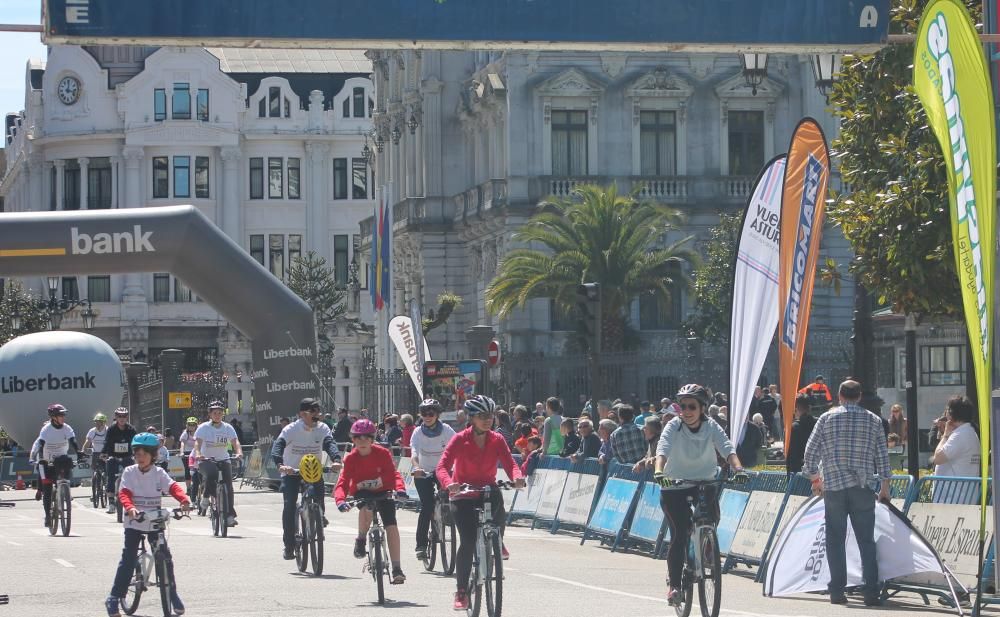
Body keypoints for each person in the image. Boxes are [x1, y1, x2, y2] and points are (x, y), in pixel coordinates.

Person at [654, 384, 745, 606]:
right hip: (674, 484)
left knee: (711, 517)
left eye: (691, 406)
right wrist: (659, 471)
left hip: (704, 480)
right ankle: (675, 585)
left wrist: (738, 469)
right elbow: (662, 448)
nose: (686, 410)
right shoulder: (674, 426)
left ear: (702, 408)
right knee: (679, 534)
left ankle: (706, 546)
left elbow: (727, 447)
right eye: (682, 406)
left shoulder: (711, 426)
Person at [802, 379, 890, 606]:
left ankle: (837, 590)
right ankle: (871, 591)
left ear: (840, 396)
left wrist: (815, 479)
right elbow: (882, 456)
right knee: (866, 541)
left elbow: (810, 452)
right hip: (863, 488)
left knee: (835, 540)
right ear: (859, 396)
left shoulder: (826, 418)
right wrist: (885, 487)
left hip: (833, 487)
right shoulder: (874, 420)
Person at [436, 395, 525, 611]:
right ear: (472, 418)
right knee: (467, 541)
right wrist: (450, 484)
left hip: (487, 488)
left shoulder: (497, 439)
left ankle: (497, 539)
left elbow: (510, 462)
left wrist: (517, 476)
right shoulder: (459, 439)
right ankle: (461, 591)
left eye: (491, 416)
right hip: (463, 494)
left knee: (498, 502)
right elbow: (442, 467)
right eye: (483, 416)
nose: (488, 420)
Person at [104, 432, 190, 617]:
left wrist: (184, 500)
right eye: (137, 453)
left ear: (153, 455)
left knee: (166, 558)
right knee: (128, 559)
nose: (140, 457)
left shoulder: (159, 473)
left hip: (155, 520)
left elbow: (173, 487)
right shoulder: (129, 472)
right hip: (135, 520)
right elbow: (124, 493)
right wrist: (130, 508)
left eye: (144, 454)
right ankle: (113, 597)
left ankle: (171, 594)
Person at [334, 418, 408, 584]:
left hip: (384, 491)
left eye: (366, 437)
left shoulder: (382, 453)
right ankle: (361, 538)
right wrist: (340, 500)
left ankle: (397, 568)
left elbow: (394, 474)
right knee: (366, 508)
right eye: (357, 438)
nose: (362, 441)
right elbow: (343, 483)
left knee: (391, 525)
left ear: (372, 439)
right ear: (352, 440)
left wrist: (400, 489)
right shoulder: (351, 459)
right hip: (363, 492)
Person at [272, 397, 344, 560]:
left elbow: (329, 444)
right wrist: (280, 465)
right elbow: (278, 447)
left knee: (318, 493)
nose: (316, 415)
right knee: (290, 504)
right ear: (302, 414)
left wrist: (336, 460)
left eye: (318, 411)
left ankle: (319, 516)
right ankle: (289, 545)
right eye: (312, 411)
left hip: (313, 469)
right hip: (292, 471)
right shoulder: (291, 429)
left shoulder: (323, 428)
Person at [409, 399, 457, 561]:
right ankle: (421, 545)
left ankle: (446, 514)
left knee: (449, 496)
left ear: (437, 415)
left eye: (431, 413)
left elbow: (458, 449)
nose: (427, 417)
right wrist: (416, 468)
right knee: (427, 506)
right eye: (424, 414)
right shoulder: (417, 432)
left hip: (442, 471)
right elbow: (414, 452)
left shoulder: (447, 430)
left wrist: (457, 467)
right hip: (423, 472)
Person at [193, 401, 243, 527]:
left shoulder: (228, 427)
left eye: (220, 413)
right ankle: (205, 497)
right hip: (206, 460)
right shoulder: (203, 427)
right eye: (214, 413)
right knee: (211, 474)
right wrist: (198, 454)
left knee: (229, 486)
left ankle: (230, 515)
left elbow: (235, 442)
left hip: (223, 459)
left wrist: (239, 452)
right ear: (210, 414)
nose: (217, 415)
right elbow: (197, 443)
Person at [33, 404, 84, 527]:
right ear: (53, 417)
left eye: (63, 415)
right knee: (48, 489)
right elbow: (40, 443)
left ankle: (65, 491)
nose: (63, 417)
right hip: (47, 459)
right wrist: (39, 458)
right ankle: (48, 516)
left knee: (68, 464)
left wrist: (78, 452)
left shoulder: (67, 428)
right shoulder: (46, 429)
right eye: (60, 415)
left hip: (61, 458)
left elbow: (73, 440)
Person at [931, 395, 980, 478]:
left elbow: (937, 458)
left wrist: (945, 436)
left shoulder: (959, 435)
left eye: (947, 410)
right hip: (965, 489)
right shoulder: (971, 432)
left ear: (951, 413)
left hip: (953, 490)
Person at [101, 407, 138, 513]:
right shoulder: (111, 429)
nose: (122, 419)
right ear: (116, 417)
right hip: (114, 456)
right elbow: (107, 442)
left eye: (124, 416)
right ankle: (111, 502)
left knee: (131, 477)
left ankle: (131, 500)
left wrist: (136, 454)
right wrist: (104, 453)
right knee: (111, 477)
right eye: (119, 416)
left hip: (127, 457)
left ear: (127, 417)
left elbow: (135, 443)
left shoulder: (131, 429)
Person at [785, 394, 816, 474]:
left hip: (798, 471)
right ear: (809, 408)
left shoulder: (792, 428)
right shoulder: (819, 424)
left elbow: (790, 455)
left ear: (795, 409)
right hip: (817, 471)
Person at [83, 413, 109, 485]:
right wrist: (83, 452)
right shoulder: (92, 431)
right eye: (96, 422)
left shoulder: (108, 431)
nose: (97, 424)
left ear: (104, 422)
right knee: (96, 471)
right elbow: (88, 442)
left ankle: (107, 485)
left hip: (106, 454)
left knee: (108, 470)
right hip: (96, 453)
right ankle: (96, 489)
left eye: (100, 422)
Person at [179, 417, 198, 496]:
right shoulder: (185, 433)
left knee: (199, 469)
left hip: (196, 452)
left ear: (196, 426)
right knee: (187, 470)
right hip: (187, 452)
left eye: (193, 425)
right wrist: (182, 452)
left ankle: (199, 486)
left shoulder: (199, 432)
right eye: (190, 425)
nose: (191, 426)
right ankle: (189, 488)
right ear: (187, 426)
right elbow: (182, 443)